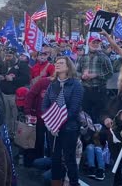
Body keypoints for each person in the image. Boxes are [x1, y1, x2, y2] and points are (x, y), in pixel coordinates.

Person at [42, 56, 83, 186]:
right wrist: (49, 122)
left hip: (69, 128)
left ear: (68, 66)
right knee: (55, 158)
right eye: (56, 62)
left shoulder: (76, 85)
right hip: (52, 128)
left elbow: (74, 109)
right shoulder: (52, 84)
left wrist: (58, 123)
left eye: (61, 63)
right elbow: (45, 104)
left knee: (69, 158)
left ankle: (73, 183)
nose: (57, 64)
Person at [76, 36, 113, 123]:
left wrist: (96, 75)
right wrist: (82, 76)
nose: (95, 44)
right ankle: (87, 134)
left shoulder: (104, 57)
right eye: (93, 42)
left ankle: (99, 134)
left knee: (99, 114)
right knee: (85, 115)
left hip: (99, 90)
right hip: (85, 90)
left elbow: (110, 73)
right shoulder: (82, 57)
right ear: (89, 44)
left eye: (97, 43)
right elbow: (76, 72)